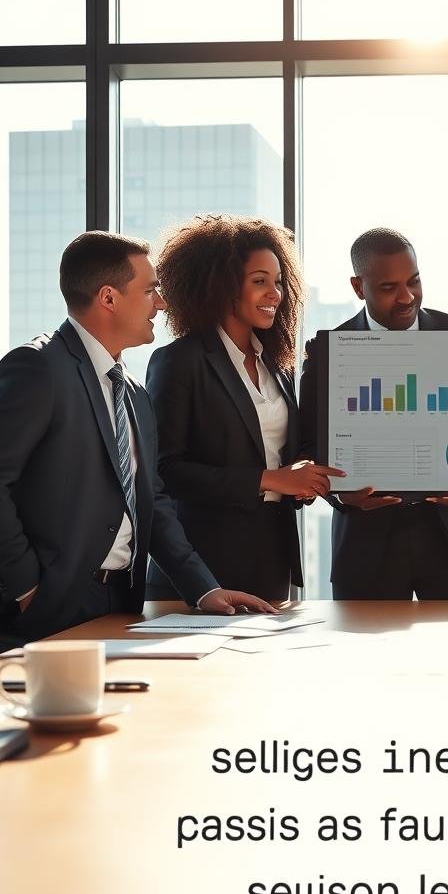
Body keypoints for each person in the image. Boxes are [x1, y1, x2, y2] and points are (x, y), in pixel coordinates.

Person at [0, 231, 275, 643]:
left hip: (118, 602)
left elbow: (152, 503)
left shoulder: (134, 394)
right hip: (43, 608)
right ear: (109, 298)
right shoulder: (36, 369)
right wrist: (27, 588)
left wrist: (204, 589)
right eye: (150, 290)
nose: (161, 303)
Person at [145, 215, 342, 603]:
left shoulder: (278, 367)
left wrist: (304, 477)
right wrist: (268, 479)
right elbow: (165, 471)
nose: (275, 293)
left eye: (279, 282)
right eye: (259, 281)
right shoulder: (180, 362)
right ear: (221, 286)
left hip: (272, 559)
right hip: (202, 567)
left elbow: (286, 451)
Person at [298, 227, 448, 600]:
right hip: (367, 543)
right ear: (359, 287)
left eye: (414, 281)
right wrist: (341, 496)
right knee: (367, 657)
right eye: (389, 287)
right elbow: (308, 446)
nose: (407, 297)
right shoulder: (326, 351)